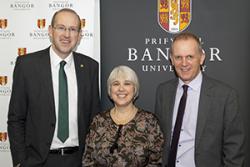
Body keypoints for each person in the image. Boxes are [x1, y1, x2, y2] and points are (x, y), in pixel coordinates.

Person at [7, 8, 100, 167]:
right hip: (38, 161)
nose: (66, 34)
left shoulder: (90, 67)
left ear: (79, 35)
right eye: (61, 28)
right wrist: (21, 161)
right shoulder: (27, 65)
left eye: (72, 29)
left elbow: (94, 119)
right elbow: (16, 118)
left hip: (79, 161)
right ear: (50, 31)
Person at [155, 32, 245, 167]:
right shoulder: (163, 91)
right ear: (171, 60)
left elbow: (235, 148)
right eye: (178, 57)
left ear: (201, 57)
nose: (184, 63)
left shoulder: (225, 95)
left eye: (190, 57)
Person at [83, 65, 164, 166]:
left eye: (127, 83)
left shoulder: (150, 122)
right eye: (116, 84)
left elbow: (156, 162)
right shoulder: (98, 121)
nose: (121, 89)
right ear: (110, 90)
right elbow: (88, 160)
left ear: (134, 89)